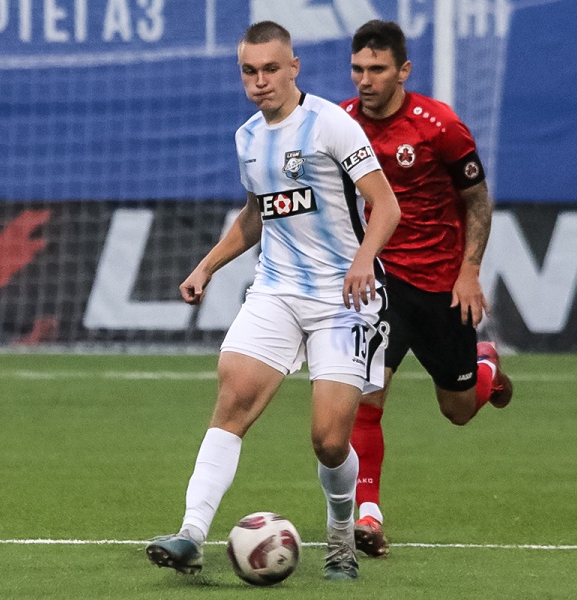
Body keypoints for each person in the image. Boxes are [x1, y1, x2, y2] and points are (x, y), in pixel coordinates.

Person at [145, 20, 400, 581]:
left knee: (329, 441)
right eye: (249, 71)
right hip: (276, 290)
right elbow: (257, 213)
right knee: (232, 396)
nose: (259, 81)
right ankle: (190, 534)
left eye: (270, 69)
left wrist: (364, 260)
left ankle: (341, 537)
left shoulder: (332, 124)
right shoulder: (247, 138)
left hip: (343, 298)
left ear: (293, 68)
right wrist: (207, 265)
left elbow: (386, 206)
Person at [340, 20, 514, 558]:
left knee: (457, 410)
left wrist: (469, 271)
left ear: (403, 71)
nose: (365, 80)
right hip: (381, 280)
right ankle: (368, 514)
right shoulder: (341, 124)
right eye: (358, 69)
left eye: (377, 69)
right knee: (367, 395)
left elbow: (477, 200)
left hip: (442, 284)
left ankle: (485, 368)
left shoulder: (441, 126)